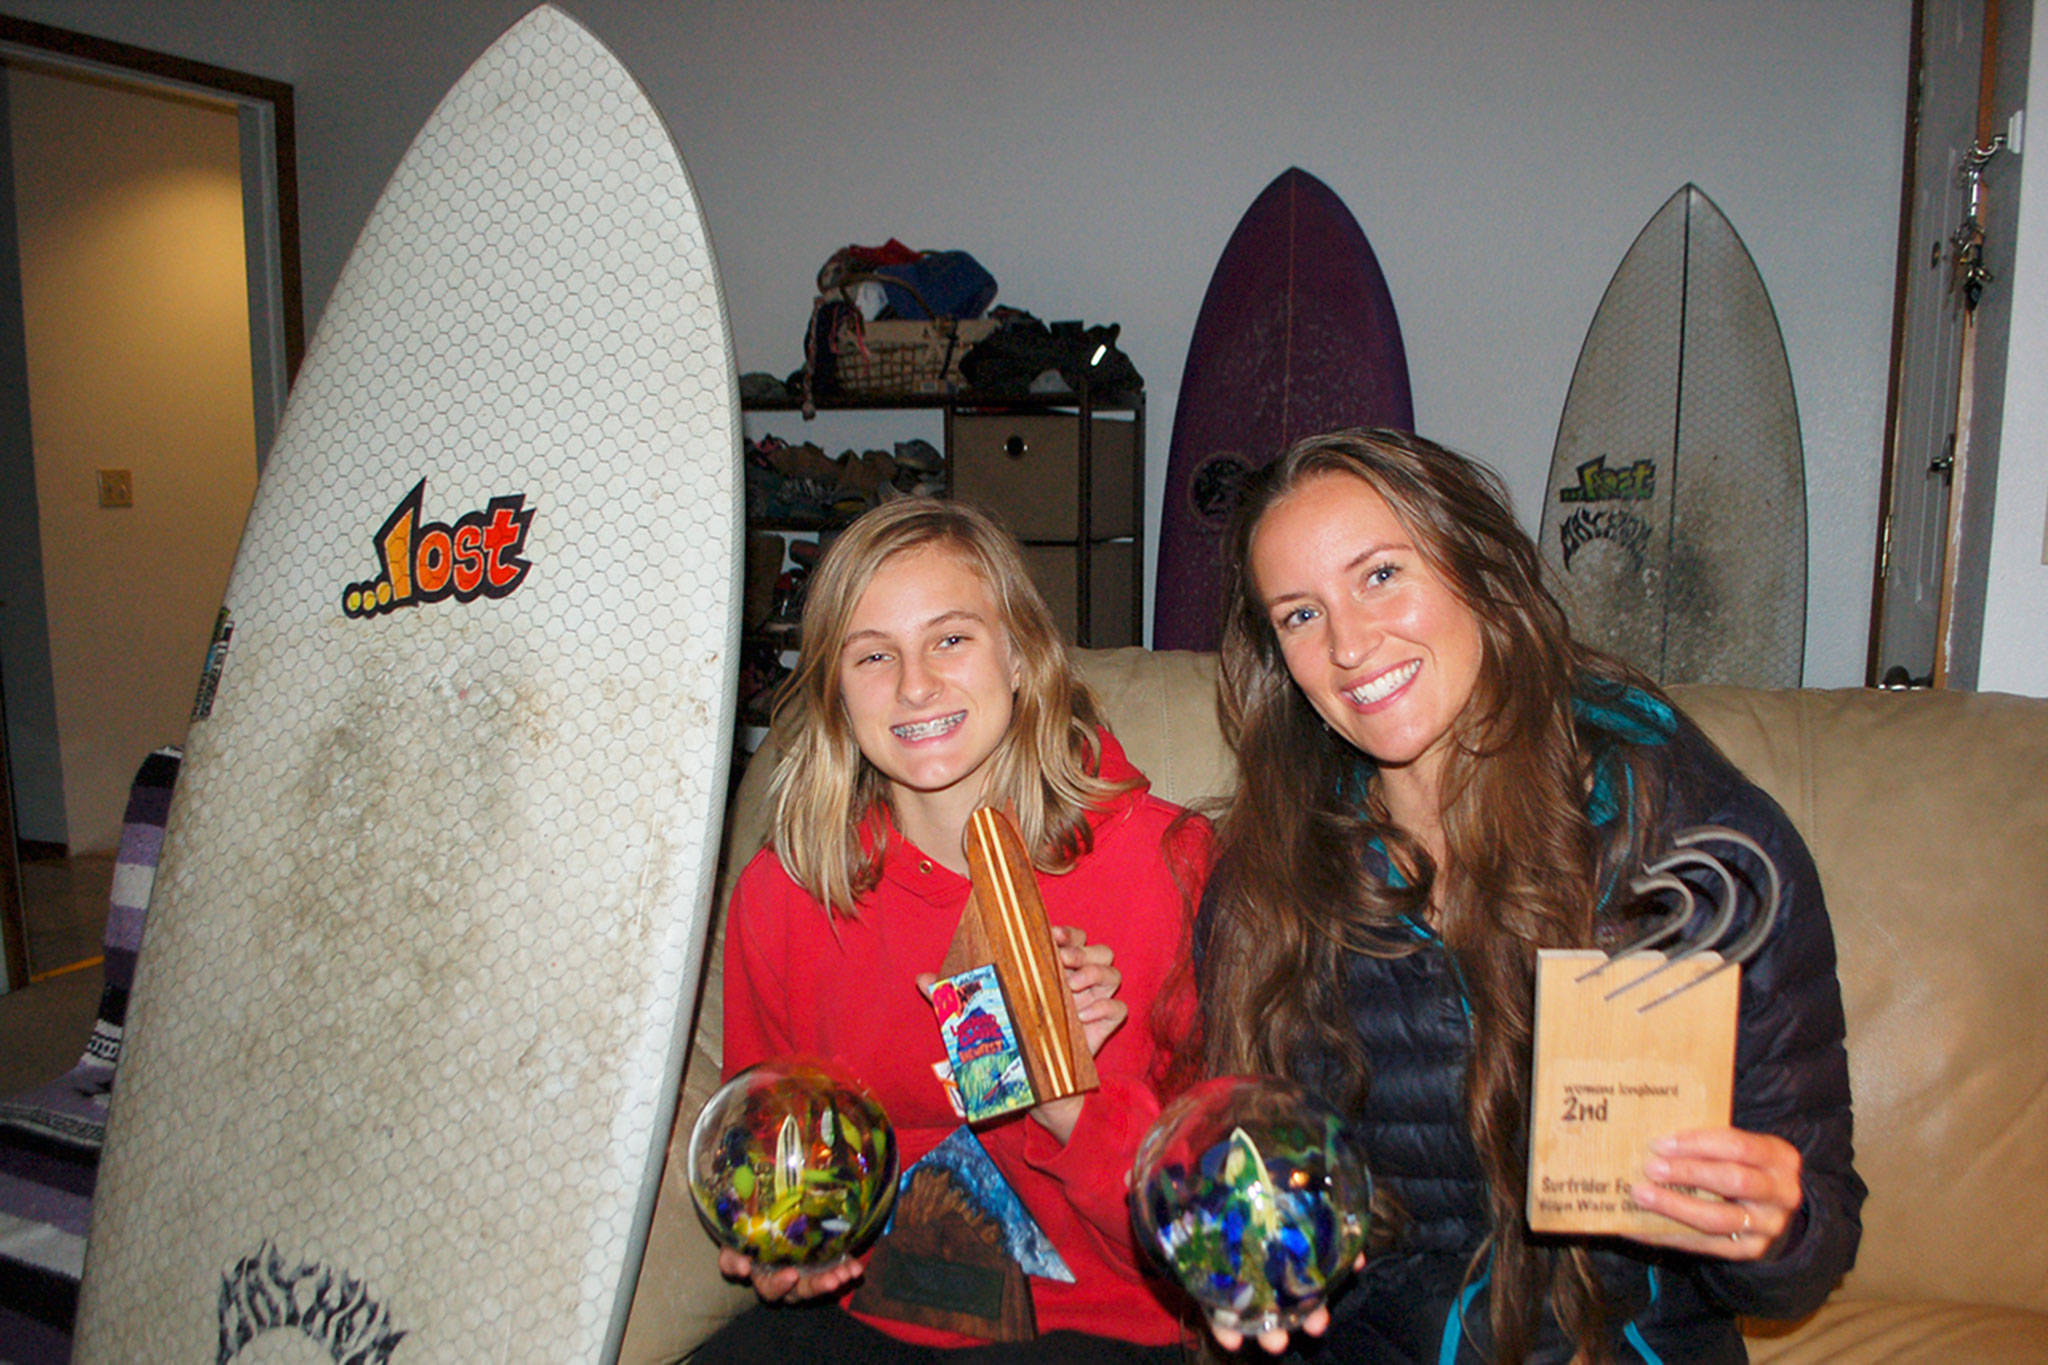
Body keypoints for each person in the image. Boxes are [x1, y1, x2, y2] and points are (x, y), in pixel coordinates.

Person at [1192, 429, 1862, 1363]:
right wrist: (1251, 1257)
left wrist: (1772, 1227)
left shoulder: (1697, 849)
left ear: (1480, 570)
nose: (1349, 643)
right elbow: (1271, 1171)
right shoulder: (1268, 878)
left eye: (1381, 575)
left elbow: (1812, 1249)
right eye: (1300, 615)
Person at [699, 498, 1205, 1364]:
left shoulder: (1168, 862)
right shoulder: (782, 894)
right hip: (863, 1321)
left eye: (950, 639)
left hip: (1091, 1326)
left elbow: (1211, 1228)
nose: (915, 685)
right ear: (834, 690)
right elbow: (779, 1154)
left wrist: (1068, 1106)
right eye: (872, 655)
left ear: (1019, 654)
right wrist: (793, 1241)